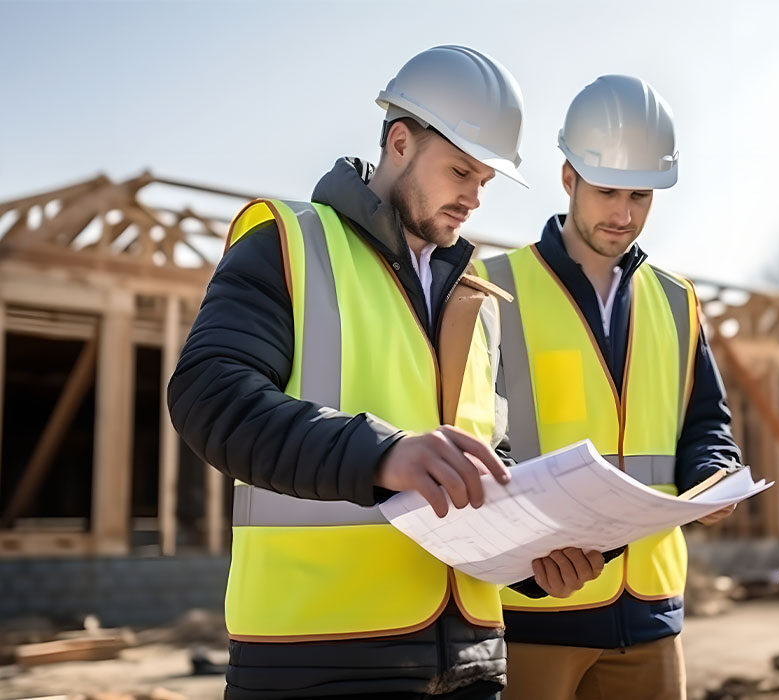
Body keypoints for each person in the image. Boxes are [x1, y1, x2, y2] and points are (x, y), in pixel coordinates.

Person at [168, 45, 533, 700]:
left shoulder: (475, 300)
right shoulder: (290, 243)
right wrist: (383, 453)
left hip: (474, 660)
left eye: (487, 180)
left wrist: (541, 552)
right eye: (460, 172)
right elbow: (209, 396)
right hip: (319, 658)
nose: (475, 198)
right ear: (399, 142)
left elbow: (482, 461)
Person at [475, 75, 743, 700]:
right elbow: (474, 438)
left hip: (651, 611)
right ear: (567, 177)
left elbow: (706, 420)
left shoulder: (677, 301)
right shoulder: (490, 288)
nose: (624, 215)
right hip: (534, 614)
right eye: (607, 191)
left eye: (641, 196)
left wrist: (716, 473)